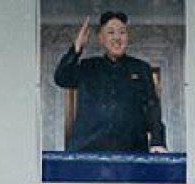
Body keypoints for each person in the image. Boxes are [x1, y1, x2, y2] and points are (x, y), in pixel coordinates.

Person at [54, 11, 166, 153]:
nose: (117, 38)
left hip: (131, 152)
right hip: (88, 150)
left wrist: (157, 141)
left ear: (128, 37)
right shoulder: (87, 67)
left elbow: (152, 107)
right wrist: (76, 49)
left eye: (122, 32)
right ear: (101, 39)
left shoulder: (141, 68)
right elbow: (61, 78)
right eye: (111, 32)